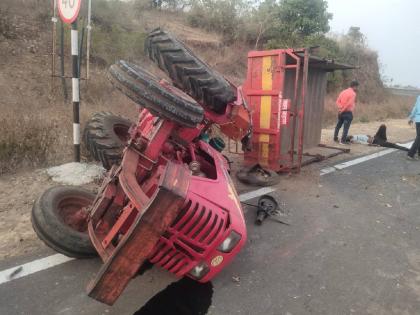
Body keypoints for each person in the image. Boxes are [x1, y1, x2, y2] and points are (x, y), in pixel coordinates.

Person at [334, 80, 359, 144]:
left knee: (338, 126)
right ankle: (343, 141)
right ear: (355, 86)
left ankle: (335, 138)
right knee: (346, 128)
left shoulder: (343, 91)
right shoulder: (353, 94)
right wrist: (343, 110)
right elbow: (349, 104)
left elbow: (337, 101)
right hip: (347, 113)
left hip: (340, 112)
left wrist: (340, 108)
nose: (357, 88)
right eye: (357, 87)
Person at [407, 95, 420, 160]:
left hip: (418, 119)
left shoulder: (419, 97)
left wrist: (411, 117)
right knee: (419, 138)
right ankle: (410, 154)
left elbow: (415, 108)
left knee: (419, 137)